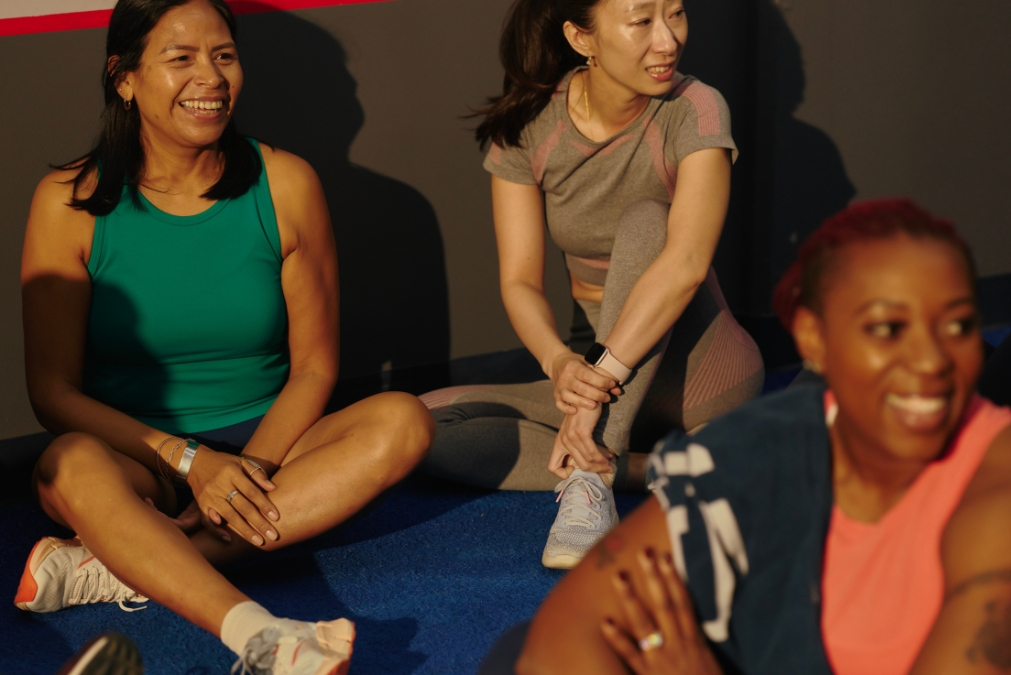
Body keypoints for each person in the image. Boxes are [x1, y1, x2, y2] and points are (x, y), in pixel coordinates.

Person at [14, 1, 434, 672]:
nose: (210, 77)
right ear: (124, 78)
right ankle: (261, 636)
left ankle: (123, 565)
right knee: (65, 464)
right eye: (180, 58)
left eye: (224, 56)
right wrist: (190, 463)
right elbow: (53, 392)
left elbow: (314, 369)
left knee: (403, 420)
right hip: (136, 460)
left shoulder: (287, 183)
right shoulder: (68, 200)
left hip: (275, 452)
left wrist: (245, 475)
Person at [506, 199, 1011, 674]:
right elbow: (564, 634)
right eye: (888, 329)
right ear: (814, 340)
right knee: (514, 652)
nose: (931, 360)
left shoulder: (994, 500)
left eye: (958, 326)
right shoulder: (763, 446)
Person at [420, 0, 763, 569]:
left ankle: (589, 479)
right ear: (582, 38)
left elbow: (685, 265)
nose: (668, 40)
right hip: (602, 383)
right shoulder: (530, 125)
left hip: (699, 370)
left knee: (647, 220)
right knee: (420, 425)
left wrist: (597, 381)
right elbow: (520, 282)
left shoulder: (696, 106)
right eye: (642, 21)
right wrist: (560, 364)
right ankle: (652, 467)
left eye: (676, 14)